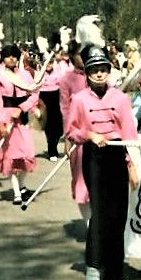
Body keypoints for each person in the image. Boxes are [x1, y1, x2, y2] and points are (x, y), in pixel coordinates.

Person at [64, 44, 139, 280]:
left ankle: (115, 274)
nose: (98, 74)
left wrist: (132, 165)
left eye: (103, 69)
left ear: (109, 71)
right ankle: (94, 264)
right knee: (100, 214)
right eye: (94, 70)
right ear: (87, 73)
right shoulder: (79, 99)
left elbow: (129, 134)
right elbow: (71, 131)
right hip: (94, 156)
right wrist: (89, 134)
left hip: (117, 154)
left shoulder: (121, 98)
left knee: (118, 217)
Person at [0, 44, 39, 204]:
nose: (11, 58)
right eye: (7, 56)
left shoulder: (26, 75)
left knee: (27, 153)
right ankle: (17, 192)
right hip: (7, 115)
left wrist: (22, 108)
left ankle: (22, 185)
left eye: (13, 55)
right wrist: (1, 123)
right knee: (11, 156)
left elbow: (34, 95)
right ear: (3, 58)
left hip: (22, 115)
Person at [58, 41, 92, 222]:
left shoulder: (100, 75)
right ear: (72, 57)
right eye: (81, 54)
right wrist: (67, 139)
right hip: (78, 135)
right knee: (81, 181)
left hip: (101, 134)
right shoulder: (66, 79)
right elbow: (65, 110)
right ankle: (89, 225)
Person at [38, 55, 63, 161]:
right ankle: (51, 150)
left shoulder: (59, 71)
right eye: (46, 62)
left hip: (56, 97)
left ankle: (54, 144)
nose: (48, 65)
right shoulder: (39, 73)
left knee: (59, 128)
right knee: (49, 125)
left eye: (51, 62)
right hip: (44, 98)